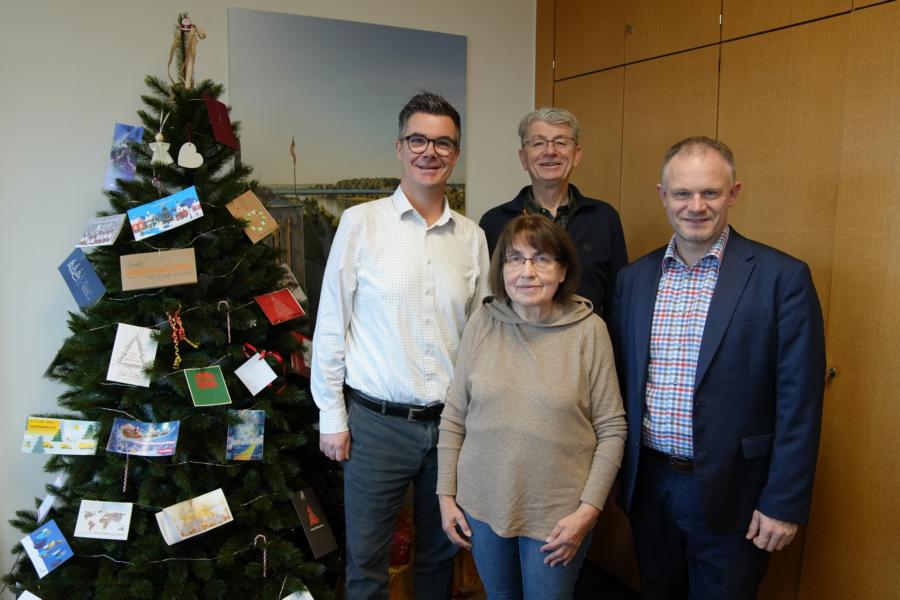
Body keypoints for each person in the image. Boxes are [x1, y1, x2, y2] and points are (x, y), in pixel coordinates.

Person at [612, 136, 826, 599]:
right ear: (662, 196)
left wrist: (783, 502)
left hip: (736, 494)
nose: (696, 205)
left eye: (710, 192)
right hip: (648, 486)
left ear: (733, 193)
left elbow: (800, 402)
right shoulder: (633, 279)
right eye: (682, 193)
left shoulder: (781, 278)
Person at [310, 92, 490, 599]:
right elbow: (331, 324)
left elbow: (482, 337)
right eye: (418, 139)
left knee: (439, 558)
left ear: (455, 154)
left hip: (452, 428)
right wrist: (332, 415)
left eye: (443, 142)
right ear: (399, 147)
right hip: (375, 428)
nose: (429, 152)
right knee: (366, 566)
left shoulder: (473, 238)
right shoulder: (360, 223)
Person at [437, 215, 626, 599]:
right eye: (514, 259)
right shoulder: (482, 323)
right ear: (501, 269)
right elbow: (455, 415)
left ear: (563, 271)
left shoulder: (589, 331)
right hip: (483, 507)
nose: (527, 271)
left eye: (541, 259)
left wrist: (587, 512)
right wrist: (445, 497)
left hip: (558, 516)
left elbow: (612, 429)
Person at [479, 107, 628, 320]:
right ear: (523, 158)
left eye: (561, 142)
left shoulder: (604, 219)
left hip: (585, 346)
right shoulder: (494, 223)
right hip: (515, 347)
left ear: (576, 155)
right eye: (538, 143)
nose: (550, 151)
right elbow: (489, 300)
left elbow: (618, 303)